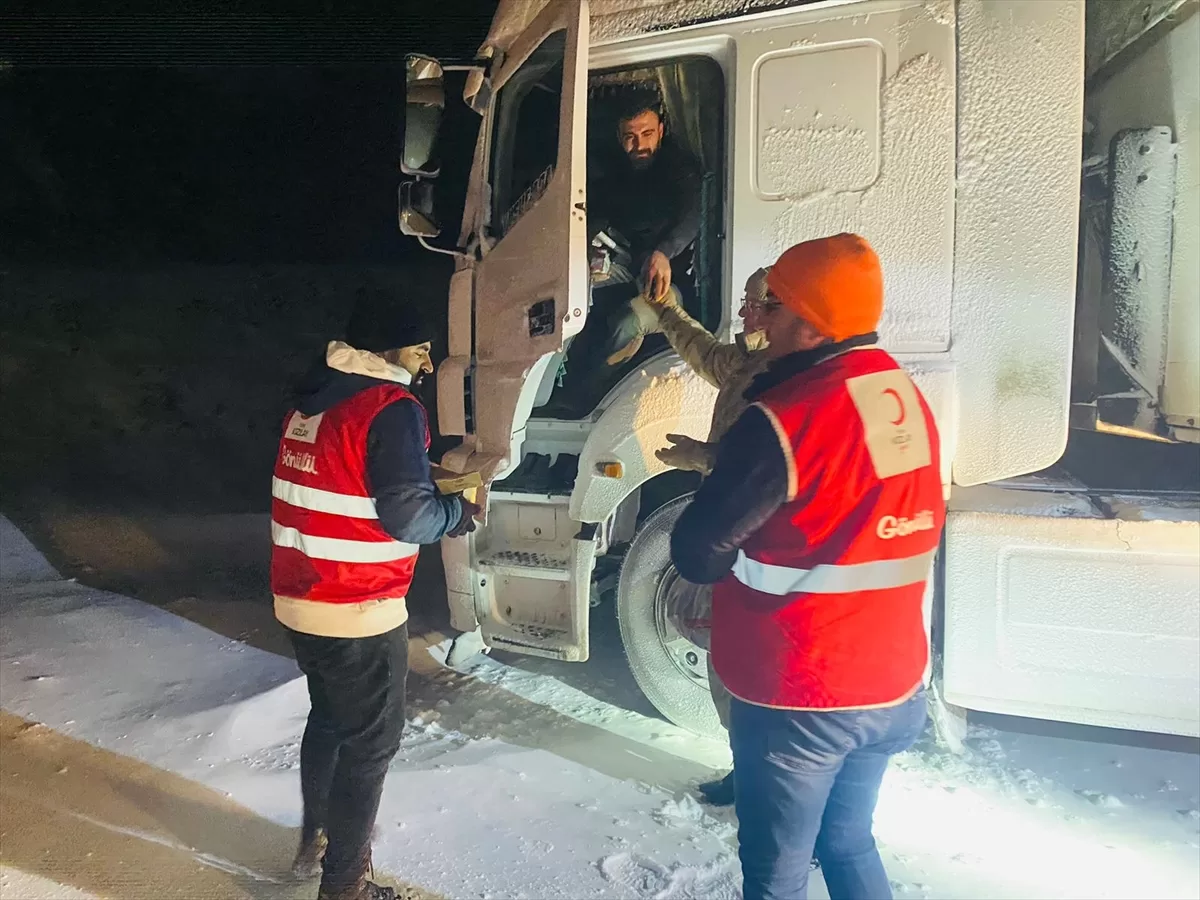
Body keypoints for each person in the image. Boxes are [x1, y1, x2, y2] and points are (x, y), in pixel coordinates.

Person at [670, 234, 945, 900]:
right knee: (848, 843)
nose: (760, 319)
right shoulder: (899, 394)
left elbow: (697, 551)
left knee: (777, 878)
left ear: (813, 323)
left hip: (803, 693)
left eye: (776, 306)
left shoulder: (785, 417)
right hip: (894, 685)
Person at [271, 291, 479, 900]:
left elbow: (348, 474)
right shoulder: (391, 406)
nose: (425, 362)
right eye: (421, 349)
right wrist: (458, 513)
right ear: (392, 349)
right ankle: (345, 887)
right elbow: (410, 517)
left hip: (300, 596)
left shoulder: (313, 399)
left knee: (333, 719)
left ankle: (317, 840)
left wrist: (419, 468)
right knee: (371, 744)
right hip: (356, 607)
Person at [619, 268, 773, 805]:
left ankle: (766, 781)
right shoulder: (747, 361)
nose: (744, 312)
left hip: (755, 540)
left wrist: (700, 456)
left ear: (781, 309)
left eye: (754, 304)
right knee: (724, 659)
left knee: (752, 668)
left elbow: (766, 463)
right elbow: (702, 350)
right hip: (732, 537)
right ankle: (745, 770)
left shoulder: (781, 373)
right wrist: (663, 309)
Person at [588, 91, 701, 304]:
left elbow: (692, 217)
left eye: (647, 133)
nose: (639, 145)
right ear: (619, 137)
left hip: (669, 272)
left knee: (628, 324)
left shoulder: (679, 168)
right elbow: (599, 207)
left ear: (660, 131)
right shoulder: (614, 168)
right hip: (624, 261)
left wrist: (663, 252)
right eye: (630, 137)